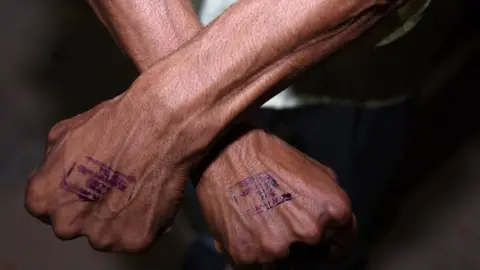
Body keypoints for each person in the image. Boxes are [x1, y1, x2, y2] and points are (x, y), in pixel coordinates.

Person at [24, 0, 415, 268]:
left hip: (356, 74)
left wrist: (160, 123)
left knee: (327, 233)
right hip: (166, 32)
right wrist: (221, 148)